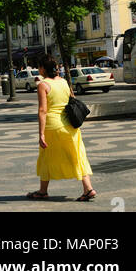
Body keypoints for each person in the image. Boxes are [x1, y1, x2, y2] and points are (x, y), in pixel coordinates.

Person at [29, 57, 96, 201]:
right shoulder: (64, 82)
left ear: (43, 69)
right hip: (70, 125)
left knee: (46, 156)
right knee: (77, 156)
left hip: (52, 126)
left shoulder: (43, 85)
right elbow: (71, 98)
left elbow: (42, 111)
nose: (38, 70)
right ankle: (88, 188)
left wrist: (41, 134)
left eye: (39, 67)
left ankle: (42, 191)